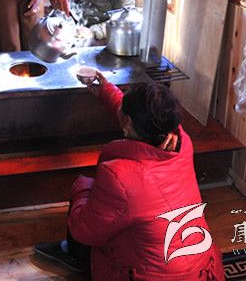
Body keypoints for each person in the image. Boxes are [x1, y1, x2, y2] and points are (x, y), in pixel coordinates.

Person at [34, 72, 224, 280]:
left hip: (151, 277)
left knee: (86, 196)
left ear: (128, 121)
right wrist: (105, 90)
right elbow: (134, 114)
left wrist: (81, 188)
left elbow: (84, 230)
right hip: (201, 271)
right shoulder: (181, 140)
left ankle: (75, 255)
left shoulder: (120, 176)